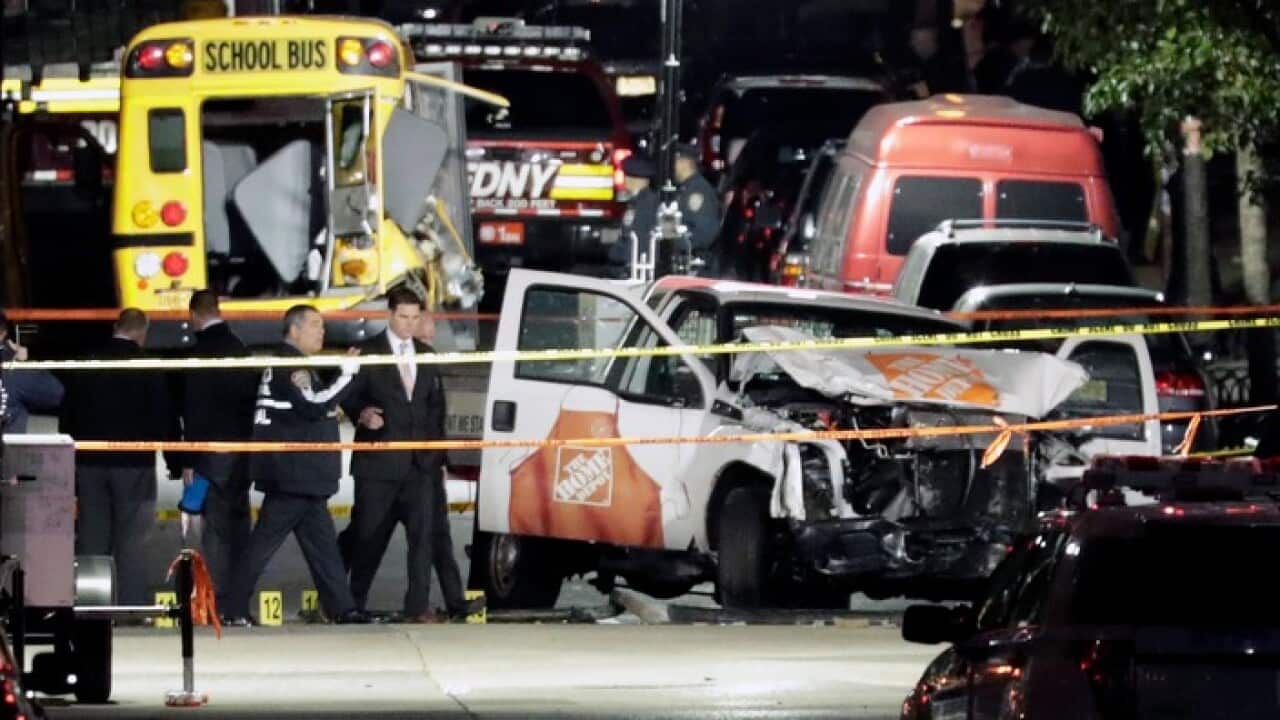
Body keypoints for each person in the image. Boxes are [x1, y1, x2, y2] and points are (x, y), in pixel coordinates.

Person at [338, 288, 481, 622]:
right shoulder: (369, 353)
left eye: (415, 317)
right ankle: (350, 602)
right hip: (379, 467)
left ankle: (417, 607)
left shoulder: (426, 355)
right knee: (368, 537)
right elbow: (346, 393)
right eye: (403, 317)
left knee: (423, 540)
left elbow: (437, 412)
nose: (409, 324)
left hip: (421, 468)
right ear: (389, 315)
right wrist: (361, 413)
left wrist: (439, 460)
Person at [227, 305, 371, 624]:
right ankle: (232, 608)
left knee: (324, 551)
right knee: (261, 547)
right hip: (293, 475)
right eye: (316, 325)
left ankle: (343, 609)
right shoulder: (291, 366)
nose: (322, 332)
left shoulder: (291, 364)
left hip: (301, 477)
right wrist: (348, 374)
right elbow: (313, 406)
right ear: (294, 331)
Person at [62, 309, 173, 607]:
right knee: (132, 542)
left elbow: (67, 415)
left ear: (116, 327)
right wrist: (175, 462)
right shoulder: (149, 367)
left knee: (92, 538)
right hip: (133, 464)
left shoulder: (87, 363)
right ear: (142, 333)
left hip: (89, 462)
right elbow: (164, 418)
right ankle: (132, 607)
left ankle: (89, 604)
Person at [177, 290, 257, 622]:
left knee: (217, 534)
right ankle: (240, 604)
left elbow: (195, 412)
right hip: (241, 453)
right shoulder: (238, 348)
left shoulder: (199, 354)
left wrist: (188, 457)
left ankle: (219, 605)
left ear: (194, 314)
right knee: (240, 530)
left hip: (211, 456)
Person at [413, 308, 484, 622]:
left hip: (430, 465)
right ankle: (342, 597)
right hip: (407, 468)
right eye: (424, 336)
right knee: (372, 535)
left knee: (440, 537)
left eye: (431, 336)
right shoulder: (408, 363)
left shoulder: (429, 362)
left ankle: (455, 602)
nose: (429, 341)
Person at [0, 309, 64, 432]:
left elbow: (55, 394)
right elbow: (55, 394)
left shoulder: (14, 371)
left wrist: (22, 363)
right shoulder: (14, 371)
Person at [673, 142, 723, 276]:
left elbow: (704, 233)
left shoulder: (699, 192)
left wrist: (676, 243)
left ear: (684, 163)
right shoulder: (685, 189)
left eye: (675, 162)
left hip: (698, 269)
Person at [608, 153, 661, 277]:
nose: (626, 181)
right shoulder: (636, 201)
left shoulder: (647, 204)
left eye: (628, 176)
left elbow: (641, 237)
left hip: (636, 270)